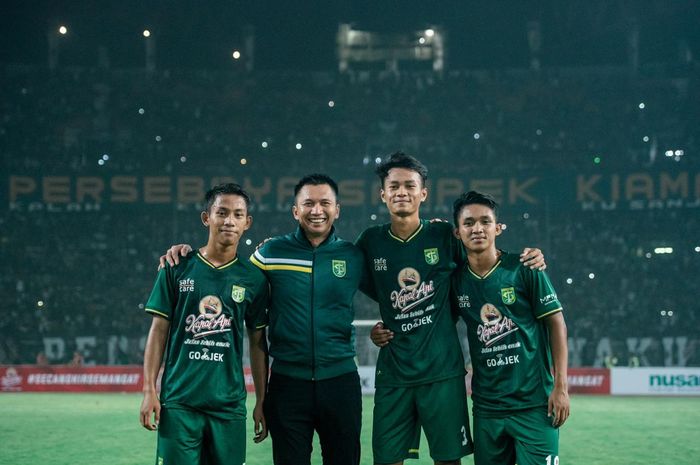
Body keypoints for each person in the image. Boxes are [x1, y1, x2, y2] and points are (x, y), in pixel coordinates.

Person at [162, 174, 365, 465]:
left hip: (340, 381)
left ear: (337, 209)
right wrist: (183, 254)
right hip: (288, 384)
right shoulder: (271, 253)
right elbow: (229, 270)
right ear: (296, 210)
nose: (316, 210)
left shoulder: (353, 256)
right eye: (308, 203)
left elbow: (388, 284)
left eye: (325, 203)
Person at [359, 153, 546, 465]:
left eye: (409, 185)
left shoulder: (445, 235)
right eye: (394, 186)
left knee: (448, 460)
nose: (401, 192)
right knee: (386, 460)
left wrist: (531, 257)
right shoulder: (370, 242)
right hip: (394, 372)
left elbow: (486, 258)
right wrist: (384, 323)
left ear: (423, 194)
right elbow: (369, 286)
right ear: (383, 194)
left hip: (442, 372)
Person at [140, 183, 270, 465]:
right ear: (206, 218)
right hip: (179, 404)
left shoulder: (254, 279)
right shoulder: (177, 266)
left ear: (247, 223)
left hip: (229, 407)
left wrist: (261, 399)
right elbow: (158, 331)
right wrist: (149, 389)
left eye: (237, 215)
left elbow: (258, 342)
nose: (229, 221)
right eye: (221, 212)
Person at [450, 190, 569, 465]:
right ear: (457, 233)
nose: (477, 228)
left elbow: (557, 323)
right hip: (487, 409)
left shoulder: (526, 268)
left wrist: (561, 386)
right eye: (468, 223)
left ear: (498, 228)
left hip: (535, 406)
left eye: (485, 221)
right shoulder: (455, 282)